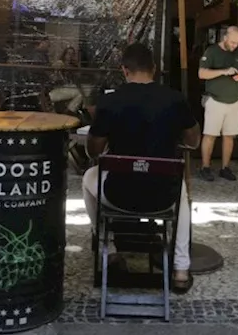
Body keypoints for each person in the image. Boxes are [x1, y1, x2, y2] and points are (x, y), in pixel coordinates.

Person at [83, 43, 199, 293]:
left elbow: (94, 150)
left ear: (124, 70)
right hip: (162, 196)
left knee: (87, 178)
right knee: (179, 189)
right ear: (154, 69)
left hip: (118, 194)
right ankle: (180, 269)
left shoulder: (110, 101)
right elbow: (194, 141)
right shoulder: (175, 99)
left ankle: (111, 252)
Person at [197, 25, 238, 182]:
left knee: (229, 136)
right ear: (225, 37)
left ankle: (225, 168)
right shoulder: (212, 51)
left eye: (237, 43)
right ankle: (205, 167)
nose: (234, 46)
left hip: (234, 100)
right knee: (210, 135)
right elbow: (201, 73)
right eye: (232, 42)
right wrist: (223, 71)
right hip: (215, 100)